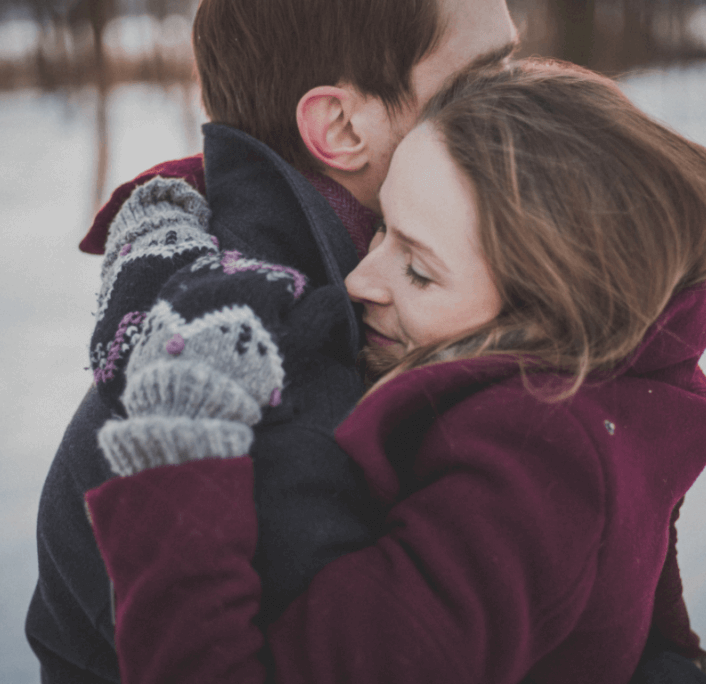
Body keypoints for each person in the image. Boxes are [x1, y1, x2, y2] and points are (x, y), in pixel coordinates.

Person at [84, 60, 706, 684]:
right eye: (381, 228)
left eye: (419, 270)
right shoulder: (625, 383)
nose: (360, 280)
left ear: (549, 315)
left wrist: (179, 448)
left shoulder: (531, 475)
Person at [25, 0, 519, 681]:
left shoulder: (379, 298)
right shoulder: (270, 397)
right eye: (484, 78)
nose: (527, 101)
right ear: (341, 126)